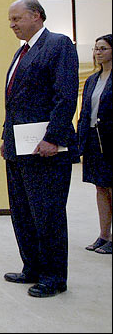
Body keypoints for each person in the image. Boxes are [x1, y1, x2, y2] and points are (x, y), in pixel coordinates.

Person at [0, 0, 79, 298]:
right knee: (23, 212)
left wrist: (54, 137)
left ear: (36, 16)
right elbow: (15, 103)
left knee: (48, 213)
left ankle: (54, 276)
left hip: (46, 148)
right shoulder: (20, 53)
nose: (12, 24)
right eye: (10, 20)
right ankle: (31, 266)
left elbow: (65, 96)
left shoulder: (59, 45)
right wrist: (6, 138)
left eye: (16, 18)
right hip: (19, 148)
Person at [77, 34, 112, 255]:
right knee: (100, 188)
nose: (97, 52)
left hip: (110, 139)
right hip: (93, 140)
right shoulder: (92, 79)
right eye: (95, 49)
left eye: (103, 48)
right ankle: (103, 235)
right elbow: (84, 113)